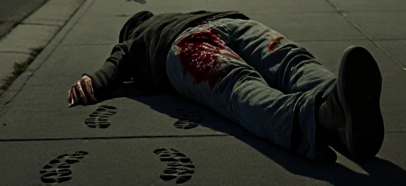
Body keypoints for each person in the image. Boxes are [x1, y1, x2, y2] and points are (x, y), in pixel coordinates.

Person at [67, 9, 384, 162]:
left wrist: (91, 80)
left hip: (187, 44)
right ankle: (332, 100)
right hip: (226, 23)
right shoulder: (148, 31)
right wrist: (95, 79)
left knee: (241, 88)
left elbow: (113, 66)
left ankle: (330, 112)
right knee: (287, 61)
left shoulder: (136, 41)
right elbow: (114, 64)